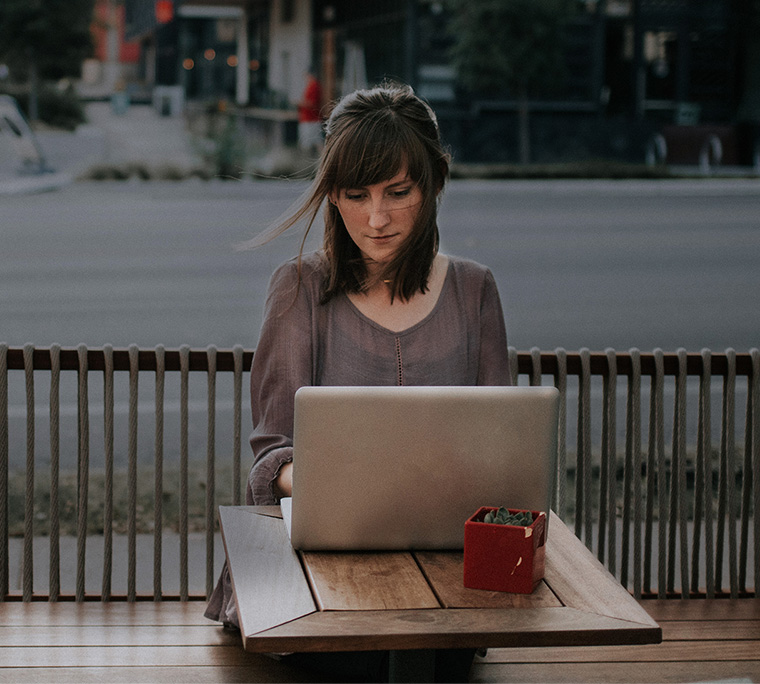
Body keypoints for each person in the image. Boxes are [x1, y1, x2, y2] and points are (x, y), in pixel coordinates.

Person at [206, 82, 511, 682]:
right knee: (359, 658)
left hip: (446, 575)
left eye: (399, 193)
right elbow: (271, 458)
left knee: (430, 650)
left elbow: (501, 451)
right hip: (315, 573)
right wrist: (342, 480)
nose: (376, 219)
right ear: (332, 196)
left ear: (434, 185)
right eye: (355, 194)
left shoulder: (474, 290)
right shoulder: (300, 289)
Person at [297, 69, 323, 153]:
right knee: (315, 141)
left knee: (312, 142)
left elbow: (312, 103)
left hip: (311, 119)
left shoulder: (314, 86)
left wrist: (300, 103)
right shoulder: (310, 86)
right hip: (308, 118)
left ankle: (308, 160)